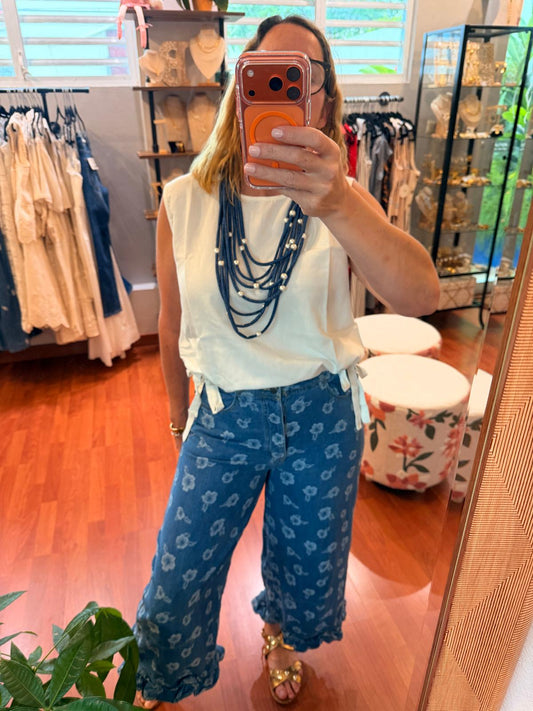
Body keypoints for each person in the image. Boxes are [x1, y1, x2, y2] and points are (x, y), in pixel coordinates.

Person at [134, 14, 440, 708]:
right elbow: (170, 322)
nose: (281, 90)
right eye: (265, 74)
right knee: (179, 570)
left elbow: (420, 295)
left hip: (320, 412)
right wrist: (179, 420)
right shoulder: (184, 200)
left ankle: (278, 634)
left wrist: (338, 202)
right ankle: (160, 671)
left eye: (301, 78)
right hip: (223, 415)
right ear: (239, 87)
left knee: (305, 561)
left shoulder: (344, 202)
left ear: (323, 103)